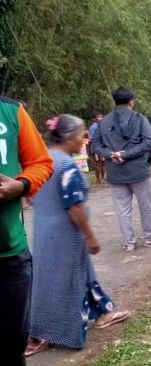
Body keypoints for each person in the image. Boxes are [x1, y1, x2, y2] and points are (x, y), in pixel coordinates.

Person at [25, 115, 130, 356]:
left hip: (44, 232)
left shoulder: (41, 160)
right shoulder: (66, 166)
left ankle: (104, 312)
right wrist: (90, 236)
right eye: (83, 134)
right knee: (58, 283)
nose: (86, 138)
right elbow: (74, 207)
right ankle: (45, 332)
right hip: (64, 234)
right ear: (69, 137)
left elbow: (31, 196)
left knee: (76, 273)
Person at [0, 96, 53, 366]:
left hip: (9, 254)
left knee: (11, 347)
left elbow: (41, 163)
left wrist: (19, 186)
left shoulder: (11, 111)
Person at [91, 87, 151, 252]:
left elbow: (95, 145)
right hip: (138, 171)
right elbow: (148, 142)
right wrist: (125, 154)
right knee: (146, 206)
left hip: (115, 172)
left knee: (122, 210)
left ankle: (129, 243)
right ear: (131, 101)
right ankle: (150, 238)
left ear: (115, 101)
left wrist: (111, 155)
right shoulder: (139, 119)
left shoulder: (104, 122)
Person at [88, 112, 105, 184]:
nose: (101, 118)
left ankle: (103, 178)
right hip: (96, 148)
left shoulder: (101, 126)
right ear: (95, 119)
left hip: (101, 148)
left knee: (103, 163)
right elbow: (92, 139)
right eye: (99, 117)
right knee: (98, 163)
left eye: (101, 117)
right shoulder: (93, 127)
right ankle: (98, 179)